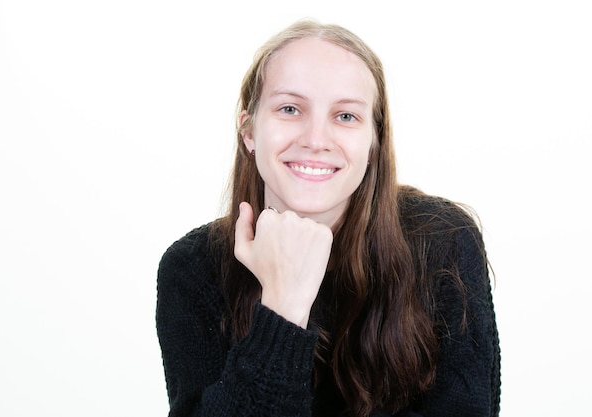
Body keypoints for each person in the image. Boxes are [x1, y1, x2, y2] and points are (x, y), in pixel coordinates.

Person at [156, 19, 500, 417]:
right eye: (289, 109)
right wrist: (283, 310)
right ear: (249, 130)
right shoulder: (192, 269)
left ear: (374, 141)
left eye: (346, 116)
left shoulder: (444, 241)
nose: (316, 140)